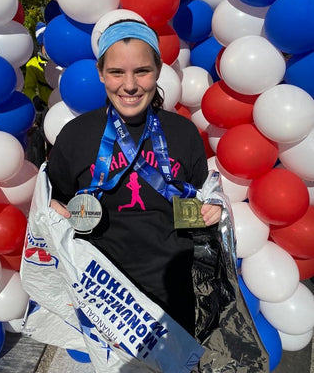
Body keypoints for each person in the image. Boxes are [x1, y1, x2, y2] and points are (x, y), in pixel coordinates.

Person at [46, 19, 222, 337]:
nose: (130, 85)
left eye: (141, 71)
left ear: (157, 70)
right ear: (101, 73)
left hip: (172, 294)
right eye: (116, 72)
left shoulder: (182, 133)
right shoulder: (75, 136)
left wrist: (211, 211)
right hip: (102, 296)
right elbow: (54, 201)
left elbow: (194, 208)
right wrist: (55, 210)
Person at [23, 21, 53, 167]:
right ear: (40, 45)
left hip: (62, 107)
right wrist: (34, 98)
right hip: (44, 108)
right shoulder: (33, 64)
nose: (49, 49)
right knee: (39, 141)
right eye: (46, 45)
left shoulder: (61, 61)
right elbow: (28, 87)